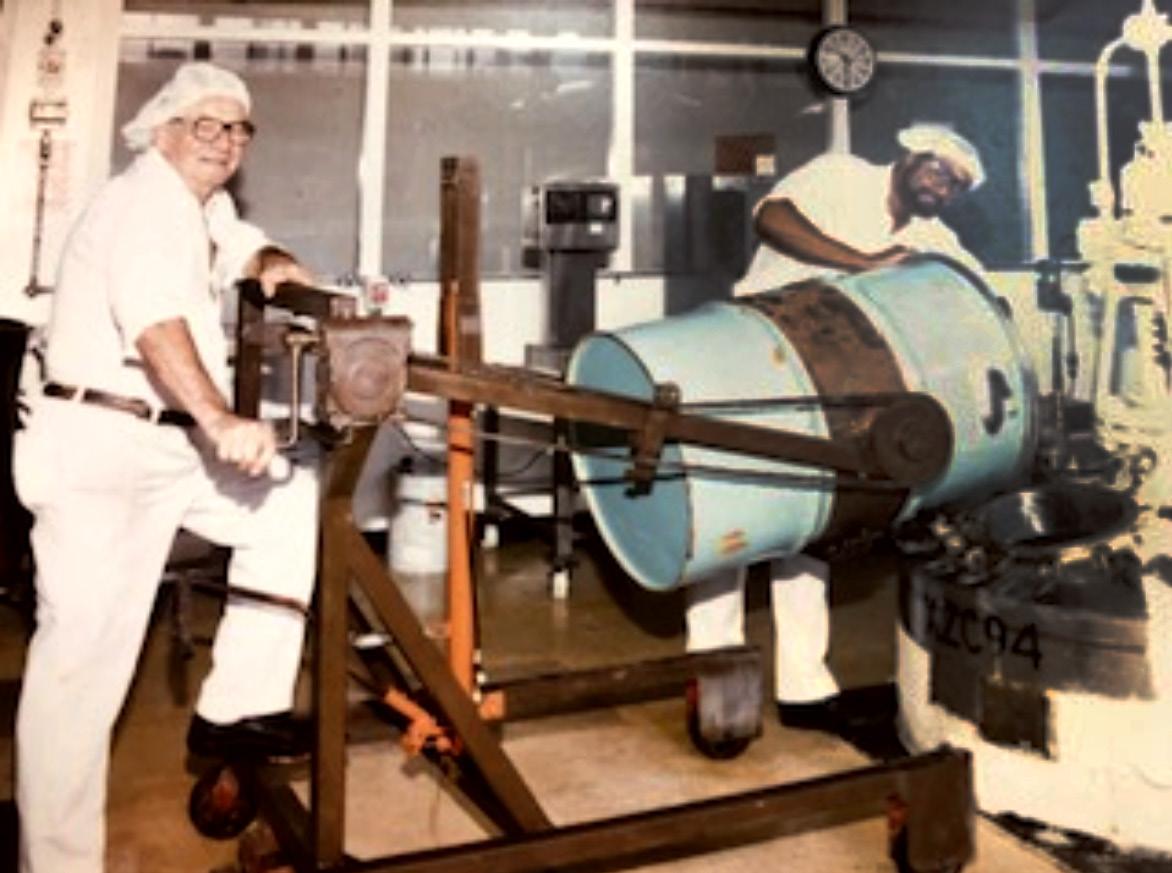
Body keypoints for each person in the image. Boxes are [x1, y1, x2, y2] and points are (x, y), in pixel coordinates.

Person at [12, 62, 319, 873]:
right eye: (205, 126)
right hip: (98, 449)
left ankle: (237, 706)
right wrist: (219, 418)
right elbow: (154, 323)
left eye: (237, 130)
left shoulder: (197, 203)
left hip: (163, 445)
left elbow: (236, 240)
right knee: (80, 677)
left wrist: (270, 257)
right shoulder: (143, 203)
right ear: (162, 132)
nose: (224, 143)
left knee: (287, 498)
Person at [686, 123, 985, 743]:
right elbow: (772, 219)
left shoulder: (930, 236)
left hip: (835, 379)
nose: (941, 187)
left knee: (814, 523)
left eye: (955, 185)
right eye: (937, 169)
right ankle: (718, 692)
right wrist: (866, 265)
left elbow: (974, 288)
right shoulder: (842, 175)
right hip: (756, 348)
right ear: (908, 155)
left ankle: (804, 688)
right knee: (732, 517)